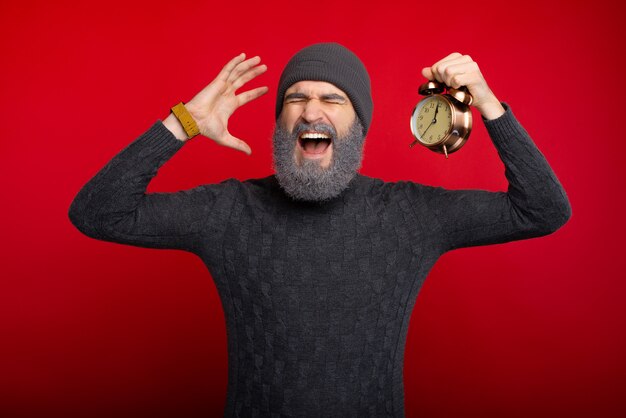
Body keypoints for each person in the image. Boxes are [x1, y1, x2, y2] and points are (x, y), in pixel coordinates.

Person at [68, 43, 571, 417]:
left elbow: (543, 209)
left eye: (333, 99)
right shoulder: (228, 210)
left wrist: (487, 102)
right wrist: (184, 122)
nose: (312, 111)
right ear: (280, 121)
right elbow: (97, 213)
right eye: (296, 98)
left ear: (359, 123)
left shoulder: (410, 214)